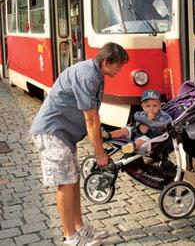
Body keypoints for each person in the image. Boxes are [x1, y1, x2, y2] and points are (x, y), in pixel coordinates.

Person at [30, 42, 129, 246]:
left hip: (63, 134)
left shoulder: (96, 73)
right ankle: (70, 236)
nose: (120, 70)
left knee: (72, 180)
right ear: (107, 62)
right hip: (52, 132)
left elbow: (94, 116)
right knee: (66, 183)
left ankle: (80, 228)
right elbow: (91, 119)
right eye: (119, 66)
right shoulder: (88, 75)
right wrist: (100, 153)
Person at [106, 89, 172, 156]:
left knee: (141, 141)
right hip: (136, 131)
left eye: (155, 106)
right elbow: (142, 129)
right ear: (143, 106)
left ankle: (132, 147)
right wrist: (148, 119)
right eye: (148, 106)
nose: (151, 108)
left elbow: (144, 132)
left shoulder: (164, 117)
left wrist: (150, 119)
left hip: (148, 137)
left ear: (160, 105)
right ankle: (107, 135)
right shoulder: (141, 115)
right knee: (125, 130)